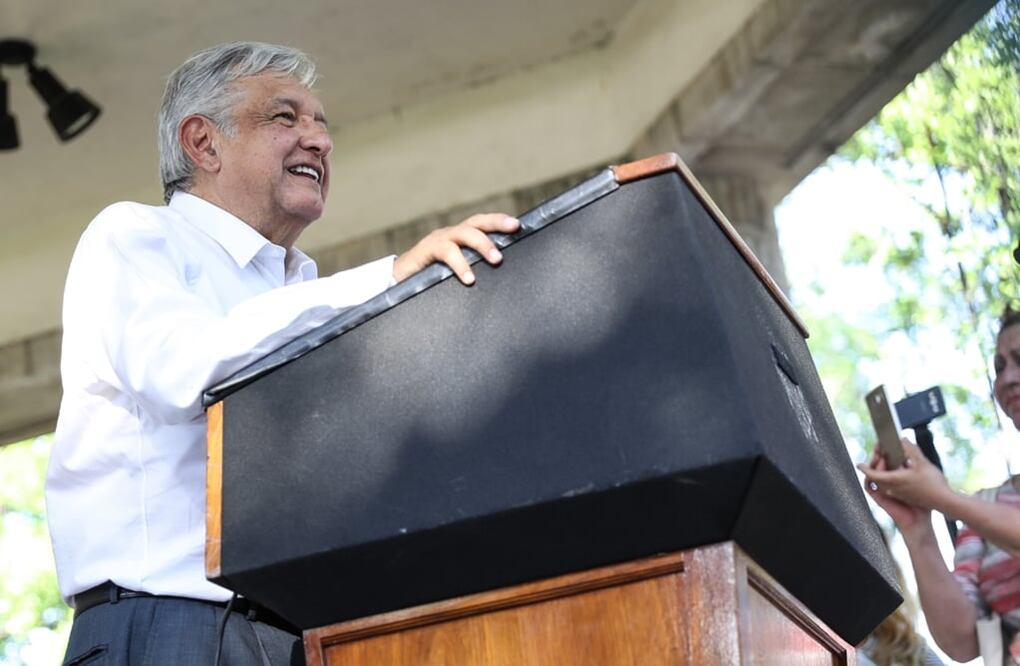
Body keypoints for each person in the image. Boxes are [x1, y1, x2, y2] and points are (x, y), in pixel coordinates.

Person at [46, 41, 520, 665]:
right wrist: (385, 280)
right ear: (203, 143)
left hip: (304, 637)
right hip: (169, 626)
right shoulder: (136, 236)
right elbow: (179, 372)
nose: (319, 141)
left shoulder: (301, 287)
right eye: (284, 117)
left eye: (321, 124)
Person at [859, 307, 1020, 664]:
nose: (1007, 377)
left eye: (1019, 360)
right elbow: (962, 642)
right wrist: (918, 528)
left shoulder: (973, 511)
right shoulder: (986, 505)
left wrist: (943, 497)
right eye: (999, 367)